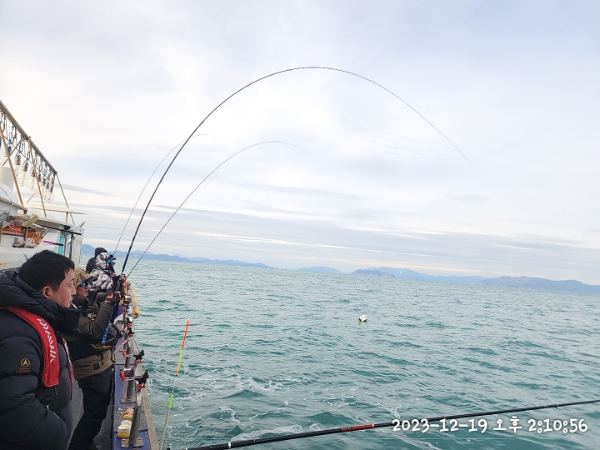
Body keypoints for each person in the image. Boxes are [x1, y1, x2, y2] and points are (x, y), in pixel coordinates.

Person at [0, 250, 80, 450]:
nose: (74, 291)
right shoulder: (20, 336)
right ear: (47, 292)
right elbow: (15, 409)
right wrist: (59, 432)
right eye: (70, 284)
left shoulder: (35, 318)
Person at [65, 269, 119, 450]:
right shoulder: (70, 313)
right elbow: (95, 332)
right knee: (93, 415)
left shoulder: (80, 305)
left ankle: (86, 443)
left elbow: (98, 297)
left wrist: (114, 289)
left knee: (97, 411)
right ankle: (78, 446)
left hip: (100, 366)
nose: (87, 288)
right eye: (83, 285)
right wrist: (108, 304)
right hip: (91, 371)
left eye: (88, 284)